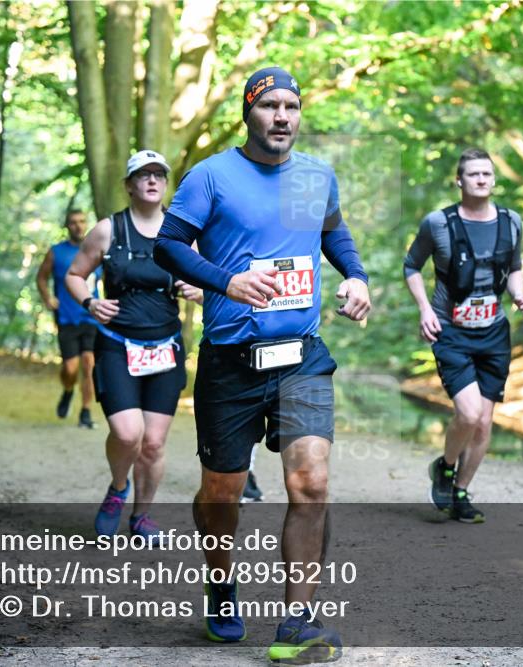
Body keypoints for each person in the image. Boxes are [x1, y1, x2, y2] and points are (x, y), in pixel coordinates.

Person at [155, 66, 370, 664]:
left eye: (291, 106)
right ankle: (221, 585)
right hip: (231, 361)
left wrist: (355, 275)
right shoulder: (212, 177)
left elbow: (333, 232)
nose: (282, 116)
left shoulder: (314, 176)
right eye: (270, 105)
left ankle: (296, 619)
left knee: (312, 482)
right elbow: (167, 244)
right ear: (248, 113)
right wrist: (228, 280)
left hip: (301, 355)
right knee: (221, 491)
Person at [66, 149, 203, 543]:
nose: (152, 180)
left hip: (164, 347)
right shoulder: (108, 230)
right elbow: (76, 275)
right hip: (116, 345)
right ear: (129, 185)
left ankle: (142, 517)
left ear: (166, 184)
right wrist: (90, 302)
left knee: (154, 442)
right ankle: (118, 486)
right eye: (143, 174)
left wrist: (197, 288)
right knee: (128, 434)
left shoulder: (179, 234)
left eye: (159, 174)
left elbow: (210, 283)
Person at [403, 147, 523, 524]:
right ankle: (444, 467)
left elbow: (514, 269)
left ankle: (460, 492)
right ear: (459, 181)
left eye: (487, 174)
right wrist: (425, 308)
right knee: (469, 412)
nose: (481, 179)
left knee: (484, 423)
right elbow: (412, 266)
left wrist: (520, 294)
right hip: (451, 332)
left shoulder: (511, 222)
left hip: (493, 333)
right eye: (474, 174)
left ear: (494, 180)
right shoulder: (438, 224)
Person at [36, 209, 102, 428]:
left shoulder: (97, 252)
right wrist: (48, 298)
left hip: (91, 317)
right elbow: (41, 278)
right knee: (70, 368)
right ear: (67, 226)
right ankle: (67, 390)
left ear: (87, 224)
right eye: (73, 222)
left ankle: (85, 412)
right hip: (66, 317)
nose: (78, 226)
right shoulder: (56, 252)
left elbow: (110, 280)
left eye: (82, 221)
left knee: (89, 364)